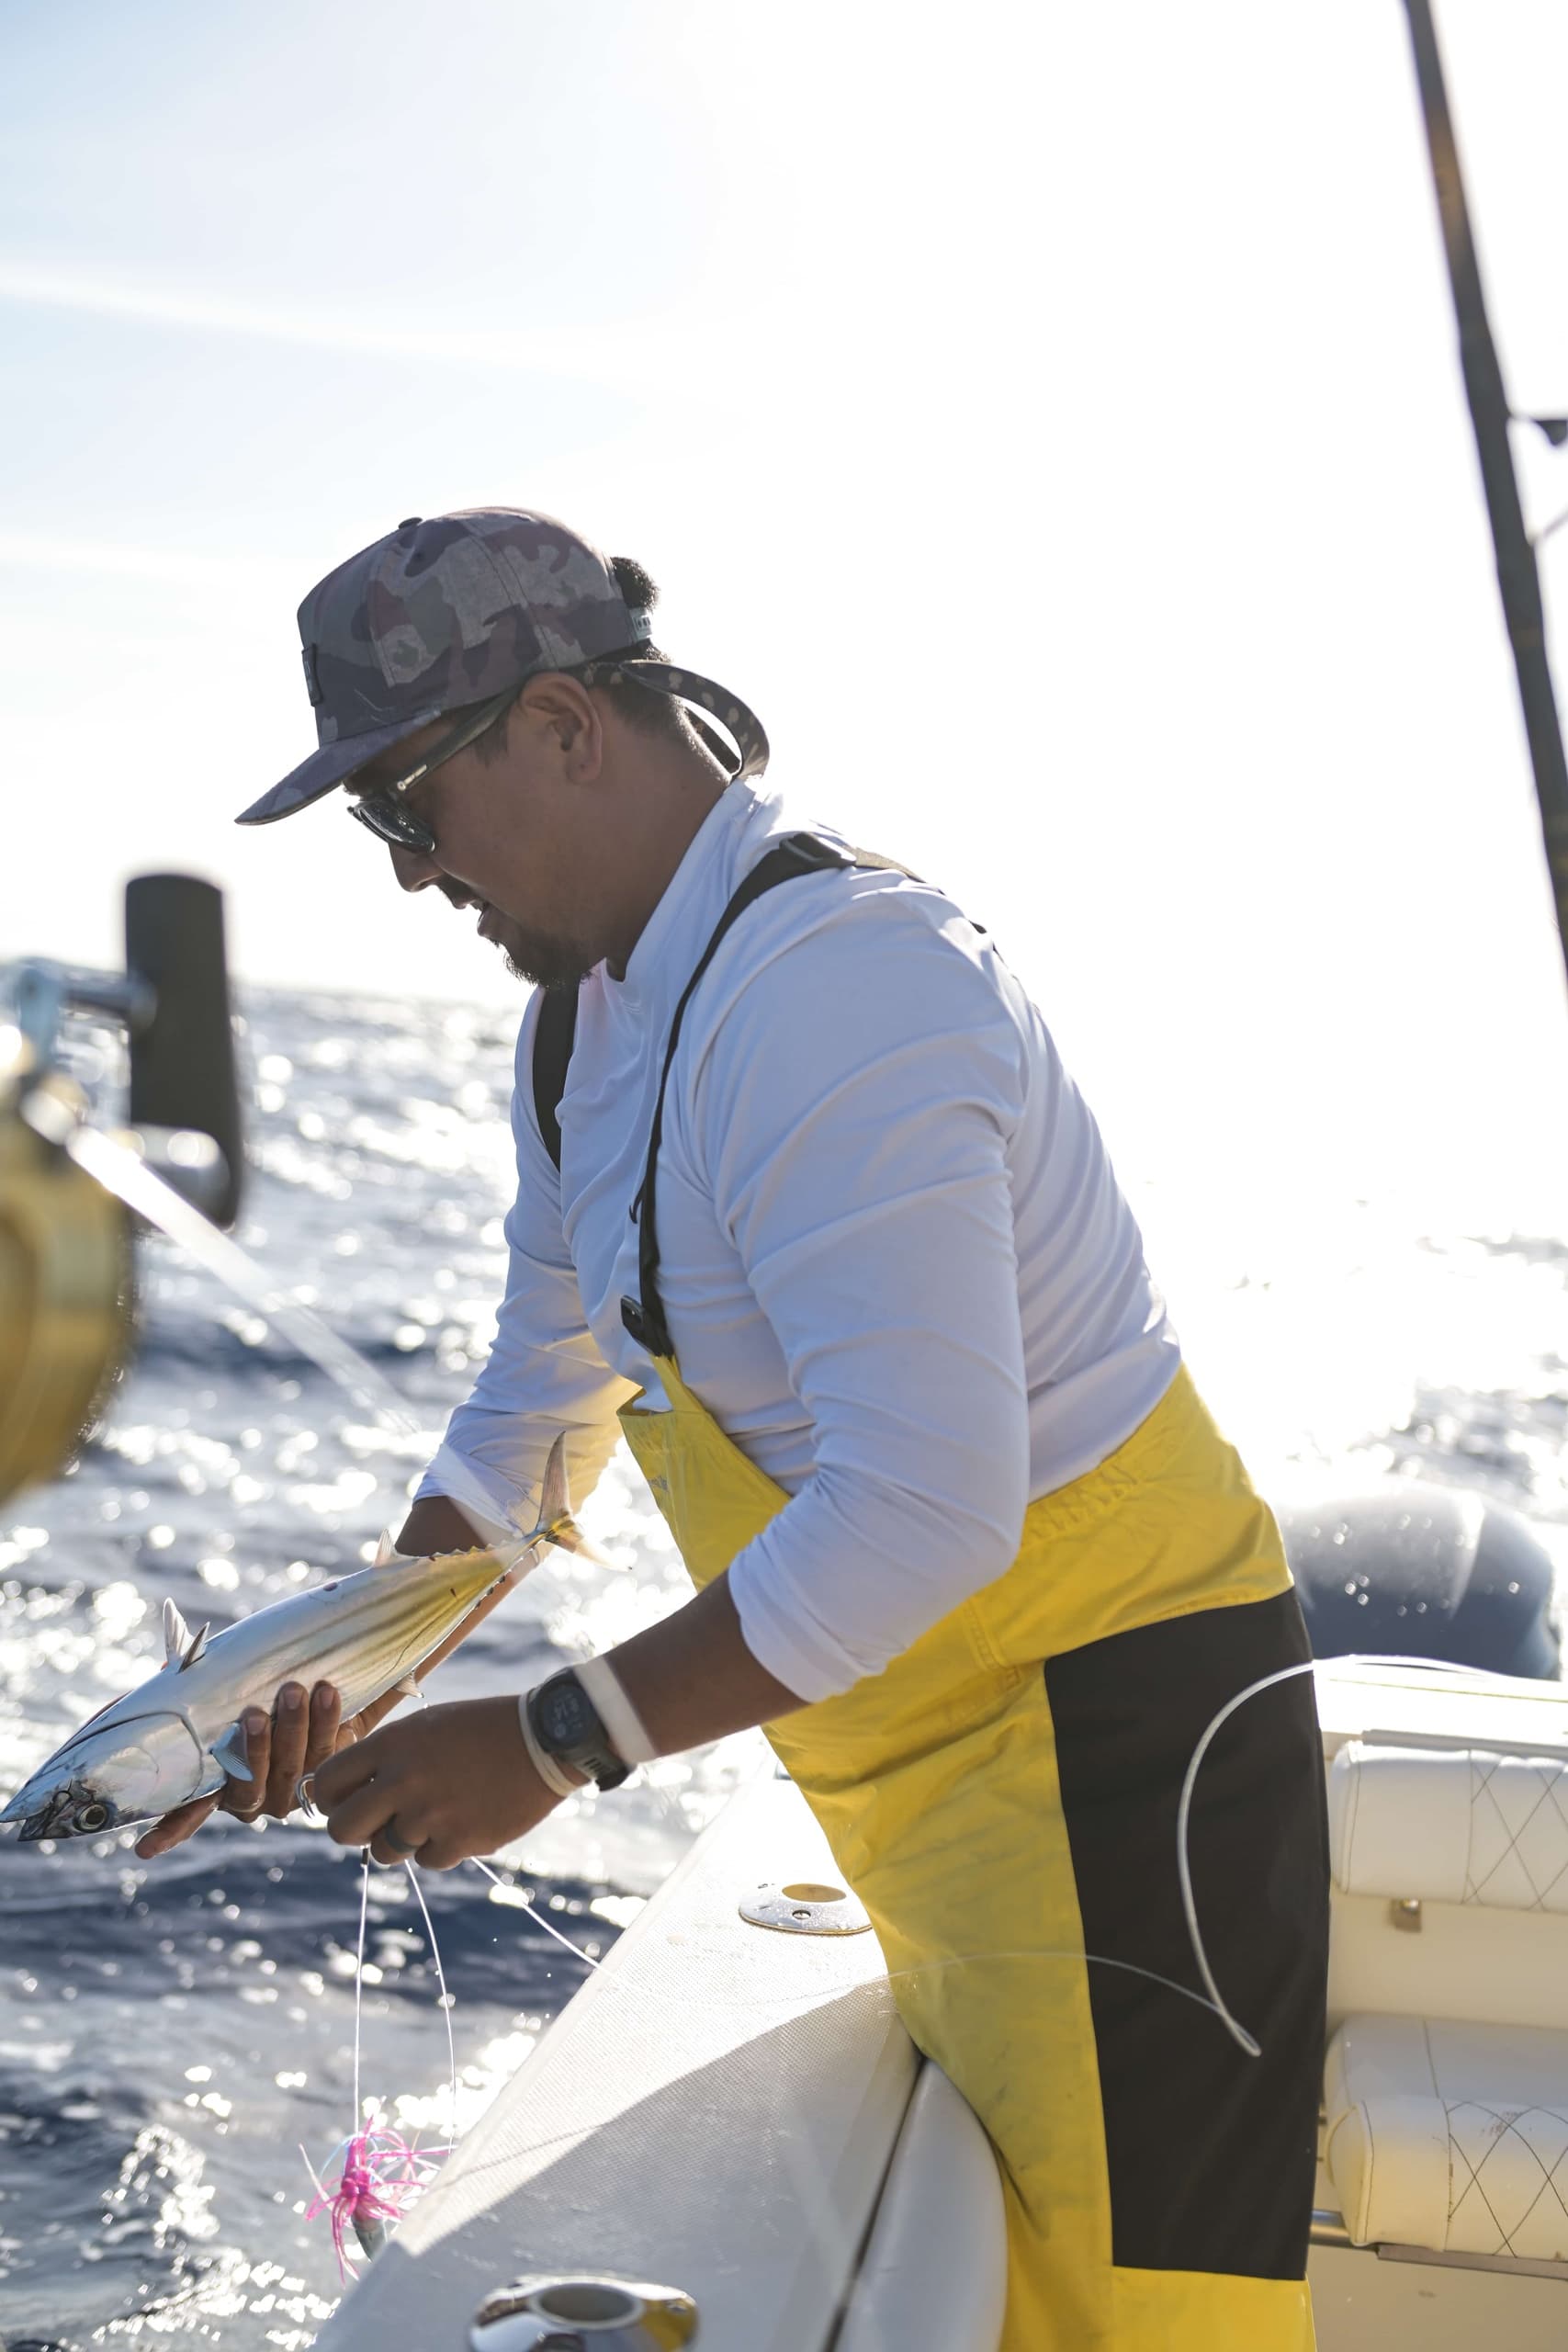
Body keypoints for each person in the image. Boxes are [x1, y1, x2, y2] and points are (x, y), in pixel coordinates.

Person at [138, 508, 1329, 2350]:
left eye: (404, 803)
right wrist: (326, 1675)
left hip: (1121, 1770)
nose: (403, 869)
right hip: (911, 1789)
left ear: (557, 723)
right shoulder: (578, 1033)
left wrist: (550, 1735)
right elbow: (536, 1409)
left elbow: (929, 1508)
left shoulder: (843, 985)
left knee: (1167, 2329)